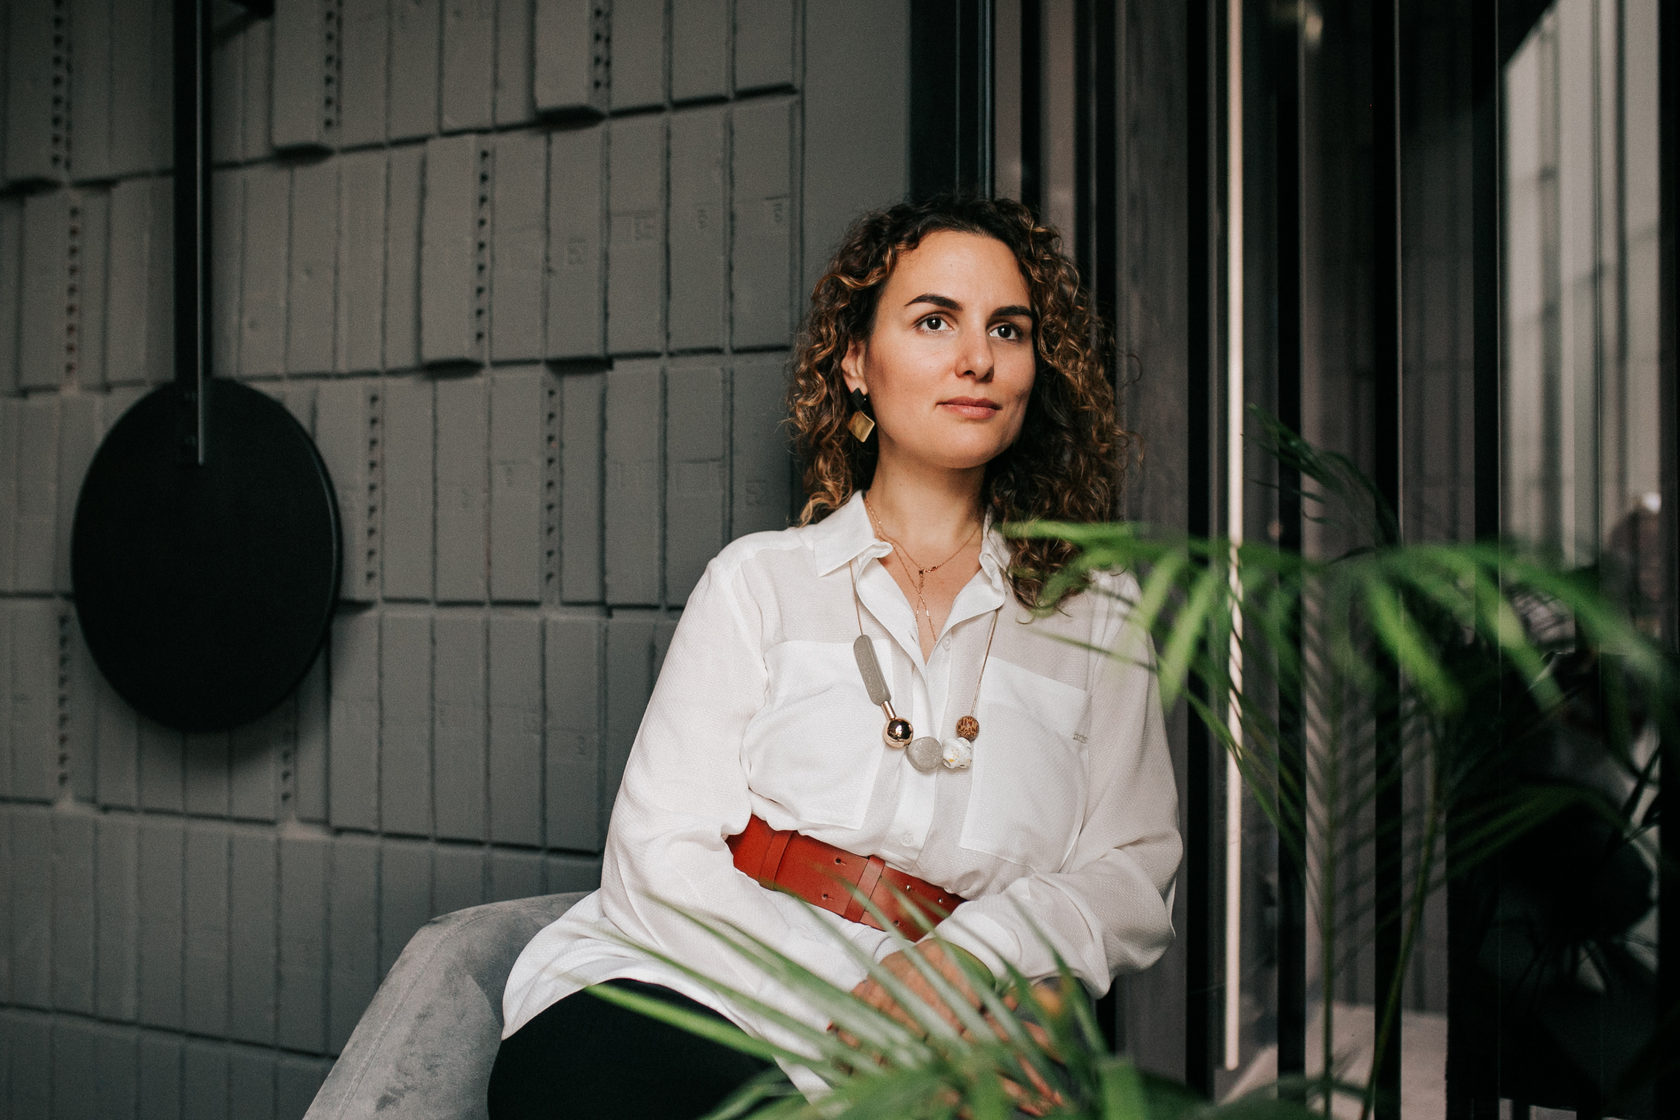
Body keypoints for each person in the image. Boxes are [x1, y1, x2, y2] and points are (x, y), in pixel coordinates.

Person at [488, 194, 1181, 1118]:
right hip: (698, 989)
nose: (977, 358)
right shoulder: (760, 582)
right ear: (856, 361)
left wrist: (972, 960)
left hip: (955, 1025)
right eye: (934, 320)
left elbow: (1131, 870)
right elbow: (659, 852)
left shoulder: (1095, 611)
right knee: (588, 1079)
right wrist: (856, 1010)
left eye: (1007, 329)